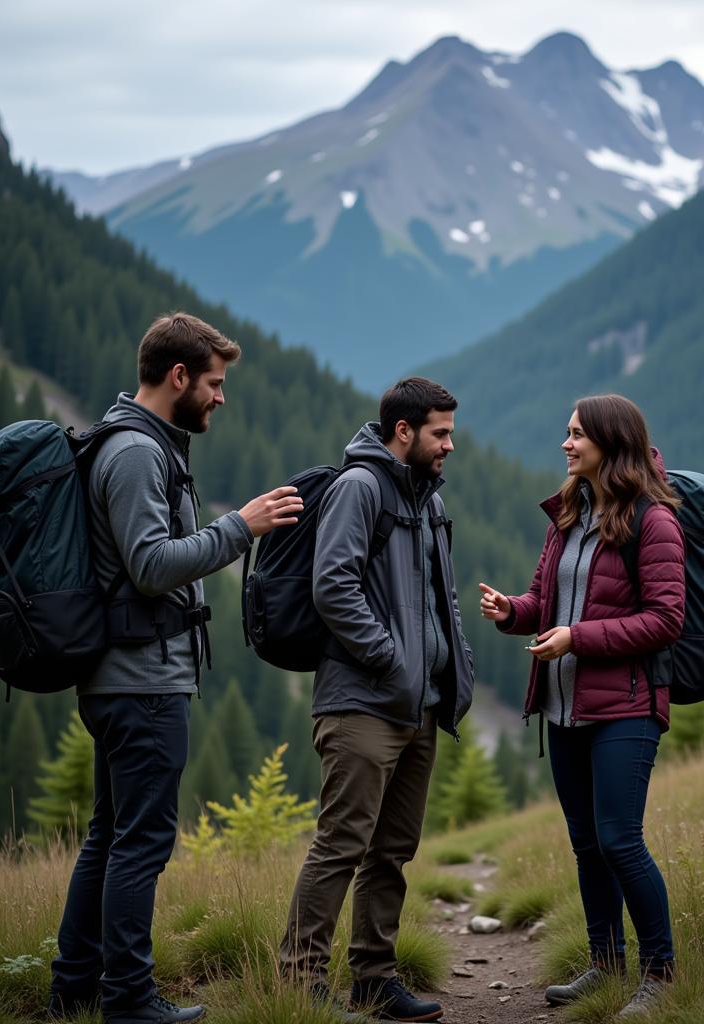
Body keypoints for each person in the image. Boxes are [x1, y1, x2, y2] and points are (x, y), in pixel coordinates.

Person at [48, 312, 304, 1024]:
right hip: (142, 682)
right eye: (215, 384)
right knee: (142, 844)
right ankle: (129, 999)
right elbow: (151, 565)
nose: (221, 398)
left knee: (111, 835)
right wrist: (238, 527)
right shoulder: (135, 452)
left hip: (127, 677)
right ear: (180, 376)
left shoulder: (142, 441)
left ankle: (75, 990)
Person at [478, 394, 685, 1019]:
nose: (566, 445)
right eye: (566, 434)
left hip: (626, 707)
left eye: (577, 435)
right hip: (565, 709)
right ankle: (605, 964)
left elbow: (666, 618)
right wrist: (514, 611)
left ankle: (661, 974)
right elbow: (549, 599)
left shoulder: (654, 521)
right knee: (586, 844)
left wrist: (579, 639)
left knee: (620, 840)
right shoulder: (570, 513)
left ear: (610, 441)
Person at [278, 377, 475, 1023]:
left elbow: (438, 599)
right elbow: (332, 586)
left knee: (391, 851)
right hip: (362, 703)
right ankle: (299, 984)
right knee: (341, 845)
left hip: (418, 705)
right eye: (440, 433)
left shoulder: (427, 498)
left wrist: (455, 664)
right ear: (404, 432)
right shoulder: (360, 488)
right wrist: (392, 660)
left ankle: (372, 979)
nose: (450, 444)